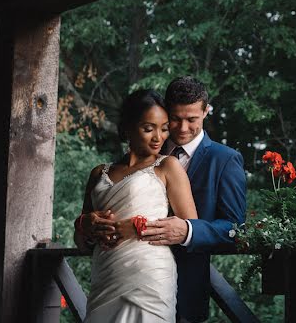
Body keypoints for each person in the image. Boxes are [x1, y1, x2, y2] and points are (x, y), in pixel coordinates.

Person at [75, 89, 198, 323]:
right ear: (128, 128)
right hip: (106, 274)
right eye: (148, 128)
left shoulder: (168, 167)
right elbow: (81, 242)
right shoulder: (99, 173)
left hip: (150, 278)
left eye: (163, 129)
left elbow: (190, 226)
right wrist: (84, 224)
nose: (158, 138)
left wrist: (139, 228)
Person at [140, 76, 247, 323]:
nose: (183, 128)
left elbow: (236, 228)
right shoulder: (145, 150)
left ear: (206, 112)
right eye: (176, 119)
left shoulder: (225, 160)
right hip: (135, 279)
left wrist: (189, 231)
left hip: (185, 291)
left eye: (192, 119)